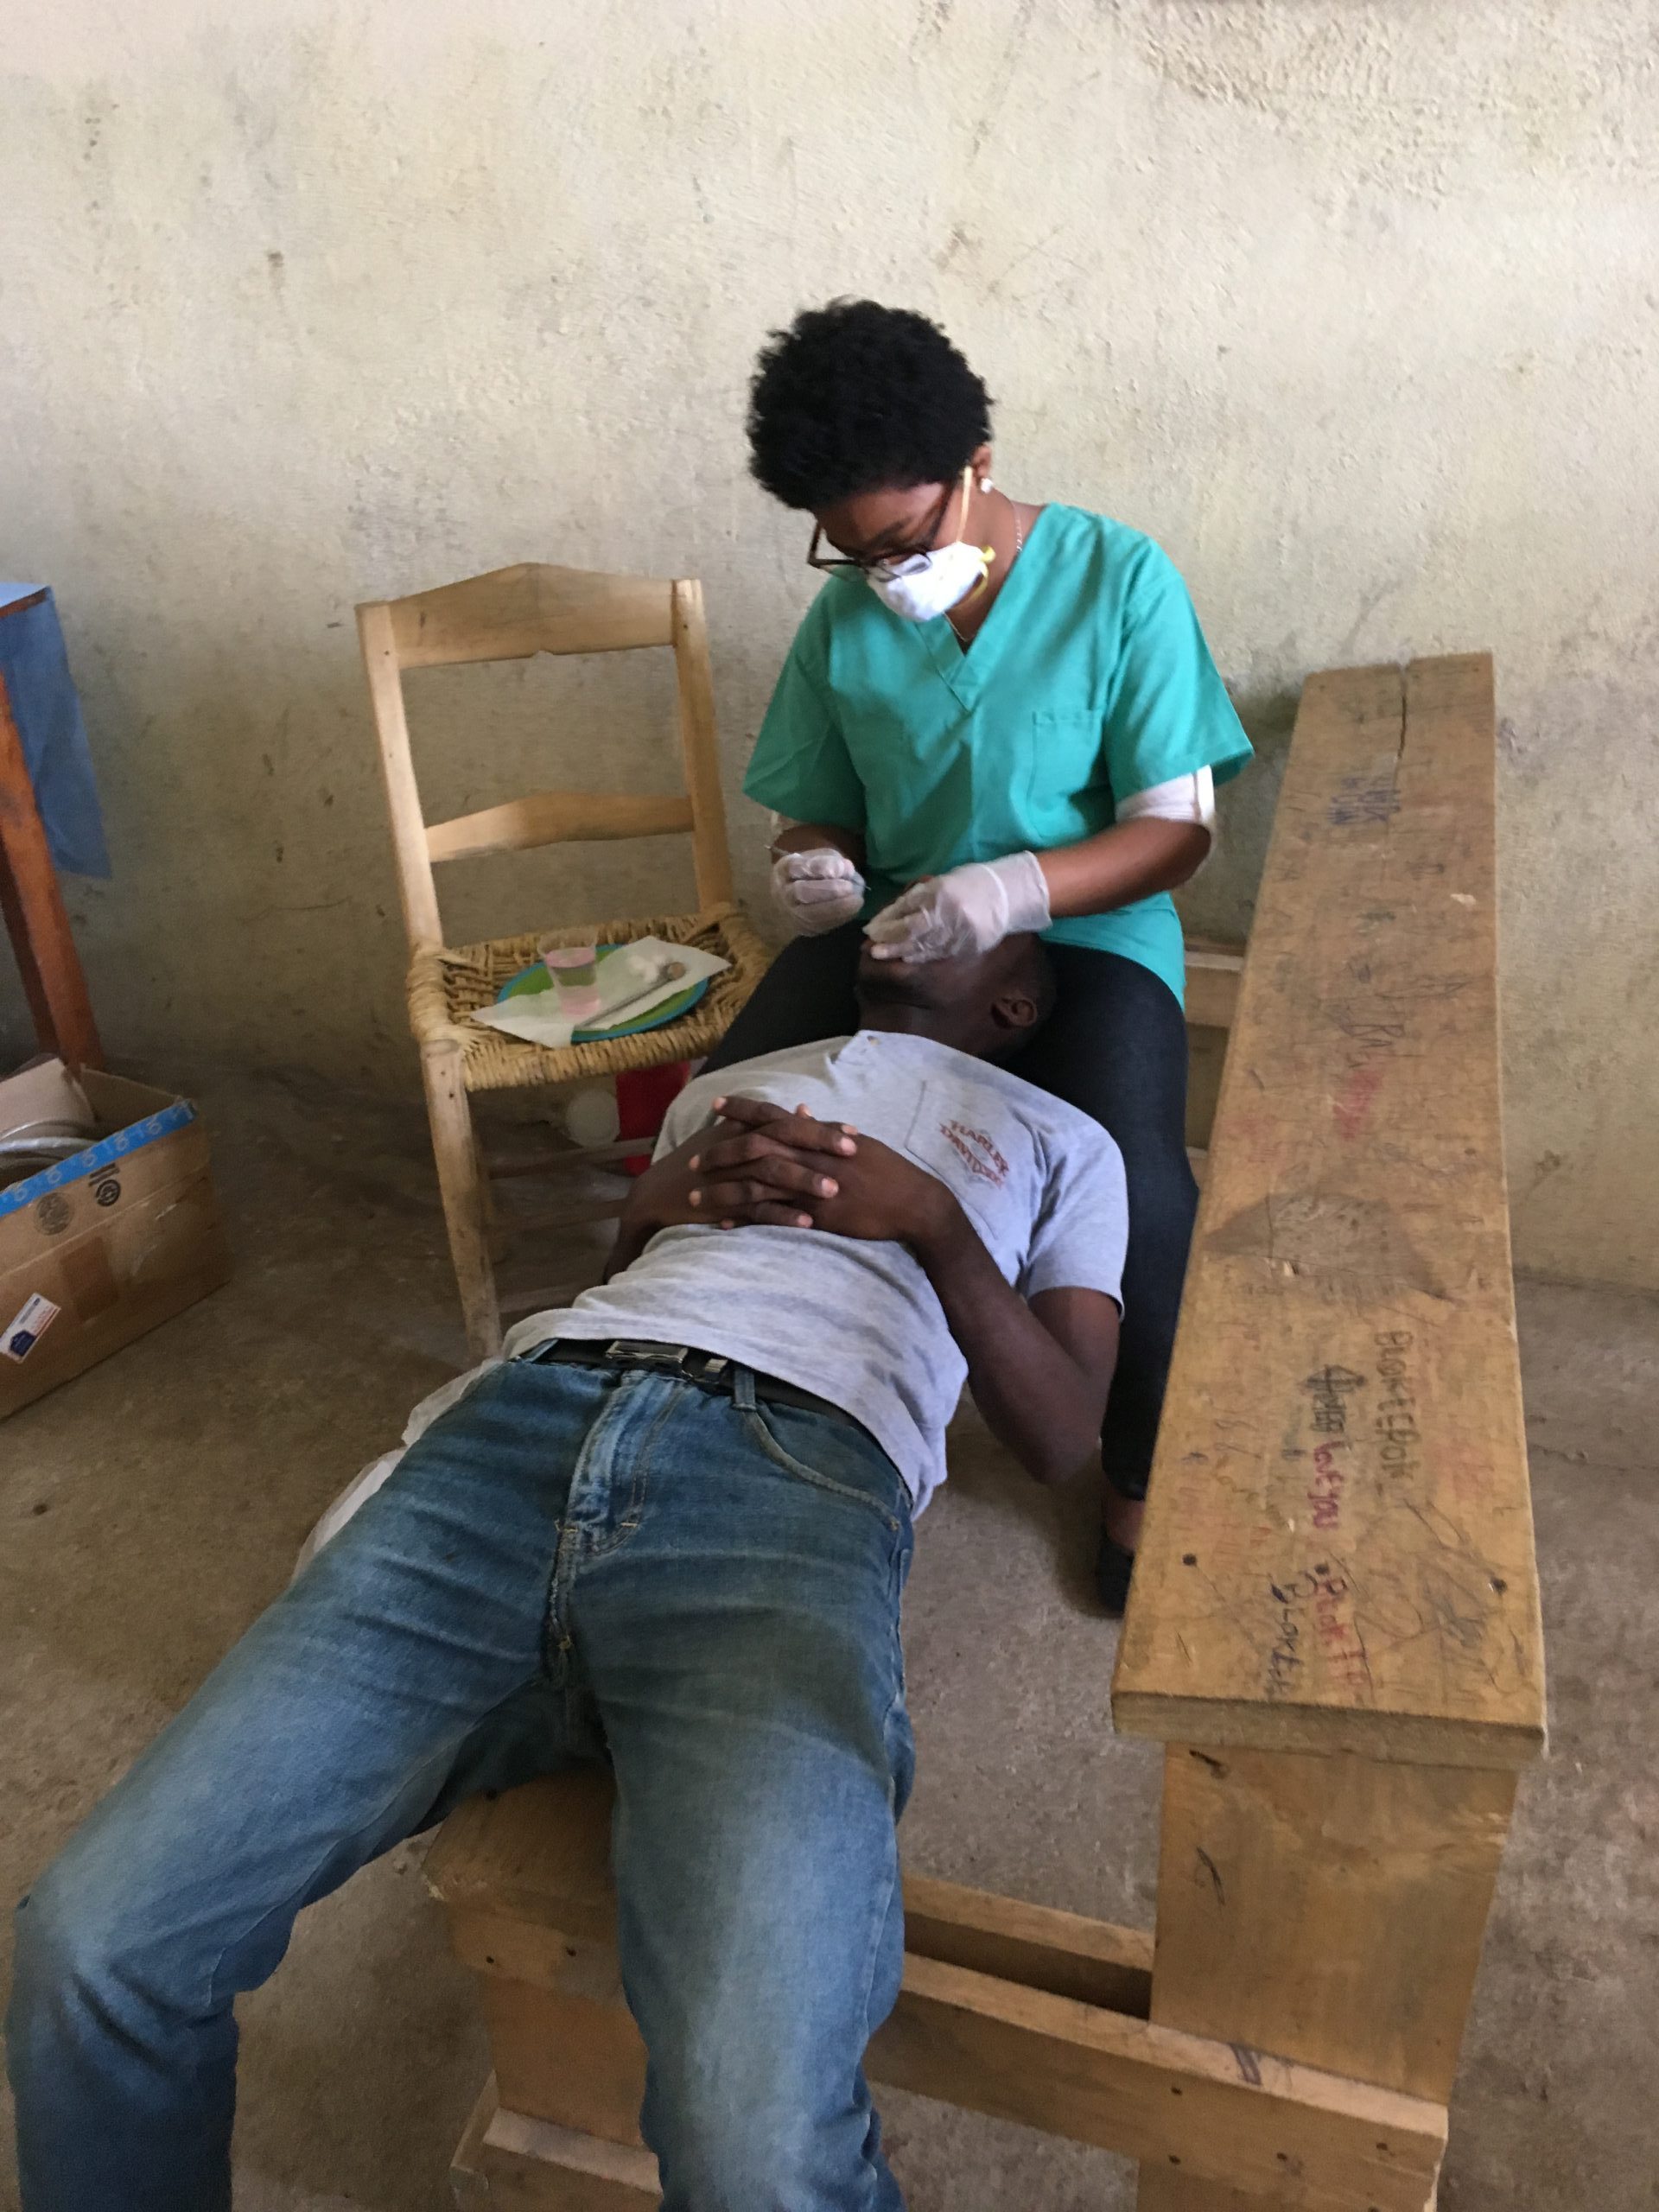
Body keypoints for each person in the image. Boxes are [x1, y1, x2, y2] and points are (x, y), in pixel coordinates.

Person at [8, 935, 1126, 2212]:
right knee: (93, 1946)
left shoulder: (1061, 1141)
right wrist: (646, 1212)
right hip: (525, 1425)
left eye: (960, 920)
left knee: (757, 2147)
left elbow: (1063, 1433)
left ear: (1017, 998)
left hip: (788, 1488)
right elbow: (634, 1287)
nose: (906, 916)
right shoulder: (731, 1087)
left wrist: (932, 1222)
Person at [711, 298, 1252, 1607]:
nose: (883, 576)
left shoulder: (1118, 580)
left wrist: (1018, 886)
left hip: (1088, 925)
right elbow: (817, 804)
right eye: (850, 554)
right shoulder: (848, 620)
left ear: (979, 465)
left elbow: (1175, 833)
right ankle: (735, 1403)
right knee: (734, 1116)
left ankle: (1141, 1469)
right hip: (904, 934)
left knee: (1139, 1187)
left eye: (902, 543)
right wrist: (813, 864)